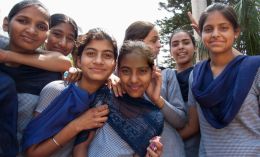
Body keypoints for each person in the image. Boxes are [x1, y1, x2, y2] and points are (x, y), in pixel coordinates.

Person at [189, 3, 260, 156]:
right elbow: (192, 126)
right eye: (208, 29)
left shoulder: (255, 70)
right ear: (200, 33)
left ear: (236, 32)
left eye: (223, 28)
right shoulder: (195, 75)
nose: (215, 34)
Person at [73, 40, 164, 157]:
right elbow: (80, 146)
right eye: (126, 71)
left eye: (142, 71)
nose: (134, 79)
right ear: (118, 71)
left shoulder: (154, 118)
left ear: (152, 73)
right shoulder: (106, 96)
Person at [0, 1, 62, 154]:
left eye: (41, 27)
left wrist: (8, 56)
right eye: (23, 21)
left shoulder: (48, 74)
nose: (32, 30)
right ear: (6, 24)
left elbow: (64, 62)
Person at [168, 29, 200, 157]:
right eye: (175, 44)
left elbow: (194, 126)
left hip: (194, 146)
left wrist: (167, 141)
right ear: (170, 51)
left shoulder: (200, 74)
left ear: (195, 47)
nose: (180, 47)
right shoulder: (165, 78)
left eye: (186, 42)